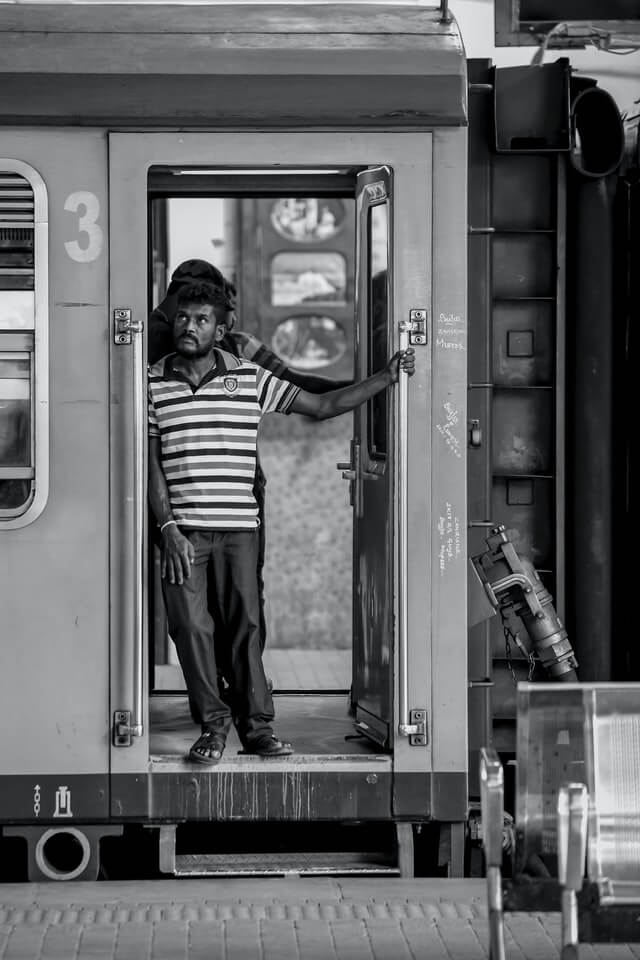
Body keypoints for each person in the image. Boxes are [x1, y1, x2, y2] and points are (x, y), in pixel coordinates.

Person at [148, 279, 414, 764]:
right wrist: (167, 529)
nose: (190, 327)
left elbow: (322, 406)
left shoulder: (250, 377)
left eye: (202, 320)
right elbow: (151, 466)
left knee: (245, 628)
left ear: (221, 328)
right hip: (183, 533)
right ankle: (212, 726)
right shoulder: (151, 381)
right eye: (183, 318)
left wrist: (385, 378)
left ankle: (257, 731)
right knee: (190, 627)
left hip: (238, 531)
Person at [149, 259, 351, 666]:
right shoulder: (185, 347)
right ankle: (233, 687)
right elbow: (303, 385)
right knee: (238, 596)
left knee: (194, 597)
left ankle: (231, 687)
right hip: (212, 494)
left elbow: (301, 391)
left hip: (181, 493)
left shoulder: (232, 348)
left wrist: (361, 385)